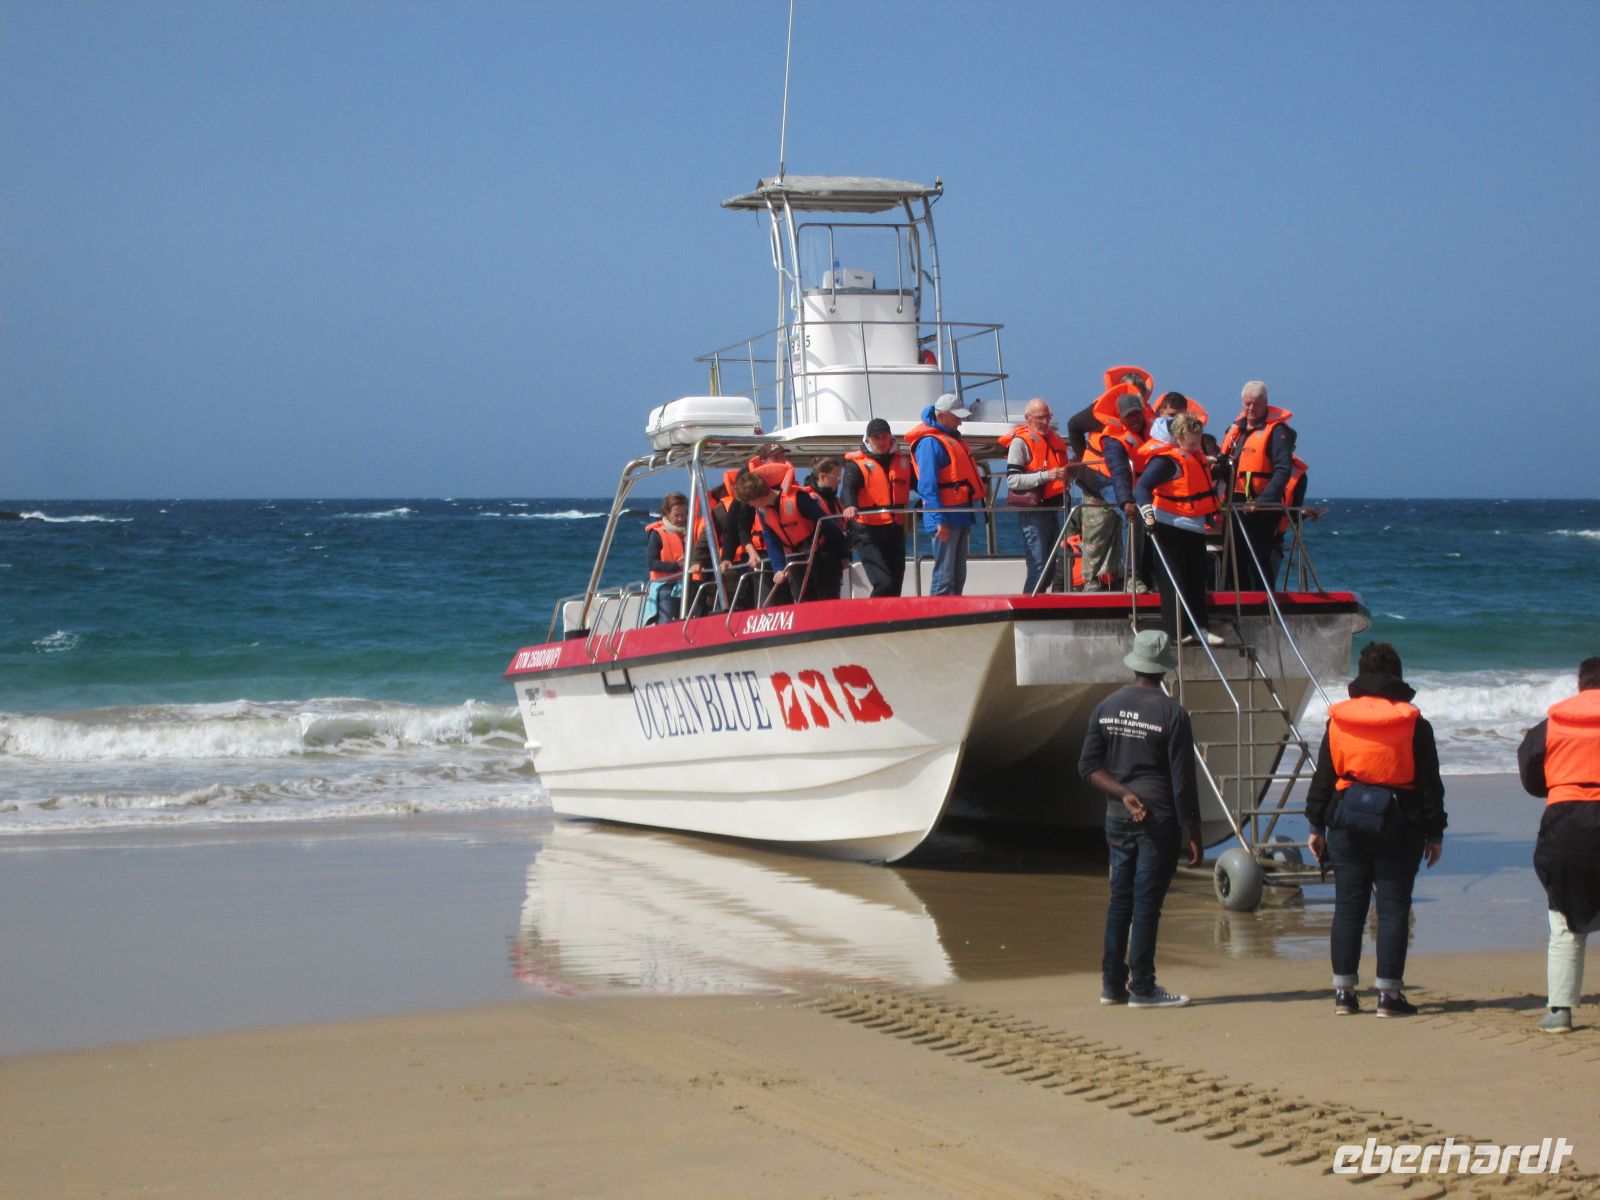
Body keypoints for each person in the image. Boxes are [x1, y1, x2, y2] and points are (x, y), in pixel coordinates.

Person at [1306, 642, 1446, 1018]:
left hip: (1346, 822)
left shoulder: (1339, 720)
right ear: (1397, 676)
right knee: (1393, 908)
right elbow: (1430, 785)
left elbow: (1324, 776)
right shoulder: (1415, 724)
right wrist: (1435, 833)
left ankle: (1344, 994)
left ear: (1361, 676)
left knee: (1348, 907)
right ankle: (1389, 996)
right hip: (1400, 824)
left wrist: (1316, 824)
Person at [1080, 629, 1203, 1008]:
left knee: (1120, 901)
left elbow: (1088, 767)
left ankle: (1112, 986)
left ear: (1135, 663)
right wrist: (1194, 832)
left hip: (1118, 818)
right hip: (1158, 820)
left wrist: (1123, 794)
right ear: (1164, 668)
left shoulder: (1106, 706)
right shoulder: (1173, 713)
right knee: (1146, 904)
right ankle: (1144, 987)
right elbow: (1183, 782)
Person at [1517, 656, 1600, 1034]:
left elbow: (1530, 774)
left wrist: (1559, 785)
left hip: (1565, 824)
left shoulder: (1553, 724)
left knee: (1564, 920)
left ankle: (1560, 1011)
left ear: (1580, 686)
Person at [1136, 414, 1224, 646]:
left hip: (1194, 527)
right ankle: (1176, 632)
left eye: (1198, 443)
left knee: (1197, 579)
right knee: (1174, 580)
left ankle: (1200, 628)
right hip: (1168, 526)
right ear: (1178, 439)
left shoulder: (1196, 458)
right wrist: (1148, 514)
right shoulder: (1167, 462)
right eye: (1191, 443)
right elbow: (1142, 488)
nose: (1195, 448)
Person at [1219, 381, 1306, 591]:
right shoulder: (1237, 430)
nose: (1251, 408)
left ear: (1266, 403)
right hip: (1235, 501)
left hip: (1262, 504)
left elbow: (1283, 471)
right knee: (1232, 558)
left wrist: (1262, 501)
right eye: (1247, 403)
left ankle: (1263, 600)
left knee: (1258, 558)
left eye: (1256, 404)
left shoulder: (1277, 431)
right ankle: (1237, 598)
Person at [905, 393, 985, 596]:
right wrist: (939, 520)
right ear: (941, 416)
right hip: (945, 517)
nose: (960, 421)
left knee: (957, 574)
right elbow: (927, 486)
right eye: (956, 416)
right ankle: (937, 612)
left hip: (960, 515)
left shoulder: (950, 439)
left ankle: (955, 611)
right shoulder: (930, 443)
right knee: (944, 575)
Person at [731, 468, 849, 605]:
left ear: (757, 497)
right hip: (796, 560)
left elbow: (829, 526)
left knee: (828, 601)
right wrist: (779, 569)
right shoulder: (763, 512)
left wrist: (844, 555)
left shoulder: (799, 499)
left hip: (823, 555)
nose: (749, 505)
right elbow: (772, 542)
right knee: (803, 602)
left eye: (749, 501)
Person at [1076, 385, 1152, 591]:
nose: (1135, 419)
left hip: (1140, 484)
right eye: (1129, 416)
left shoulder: (1152, 431)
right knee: (1128, 518)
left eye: (1137, 414)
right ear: (1120, 418)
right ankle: (1130, 578)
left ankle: (1150, 575)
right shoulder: (1113, 440)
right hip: (1107, 481)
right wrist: (1126, 501)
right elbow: (1118, 472)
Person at [1000, 398, 1070, 593]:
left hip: (1053, 510)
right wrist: (1048, 476)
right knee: (1038, 569)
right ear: (1028, 418)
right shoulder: (1020, 442)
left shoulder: (1053, 440)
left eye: (1047, 417)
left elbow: (1049, 467)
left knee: (1049, 570)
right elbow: (1013, 481)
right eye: (1040, 418)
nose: (1045, 422)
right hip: (1034, 513)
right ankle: (1028, 604)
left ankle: (1039, 605)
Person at [840, 418, 912, 597]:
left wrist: (924, 507)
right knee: (884, 582)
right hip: (866, 533)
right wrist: (850, 504)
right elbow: (849, 487)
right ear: (868, 440)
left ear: (890, 438)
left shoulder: (902, 463)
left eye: (884, 437)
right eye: (876, 438)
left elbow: (923, 486)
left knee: (896, 582)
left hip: (894, 530)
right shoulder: (856, 465)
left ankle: (890, 614)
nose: (881, 441)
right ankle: (870, 614)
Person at [804, 458, 847, 601]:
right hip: (816, 556)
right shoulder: (810, 499)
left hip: (832, 556)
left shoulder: (835, 500)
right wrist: (844, 554)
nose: (839, 481)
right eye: (836, 477)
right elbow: (830, 529)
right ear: (823, 476)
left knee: (832, 597)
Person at [644, 493, 689, 624]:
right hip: (665, 587)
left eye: (683, 515)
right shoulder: (656, 534)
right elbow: (652, 563)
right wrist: (676, 566)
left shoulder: (689, 532)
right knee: (666, 623)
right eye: (676, 515)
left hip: (686, 585)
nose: (680, 519)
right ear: (667, 513)